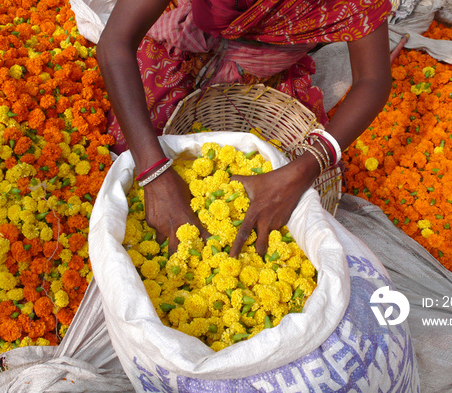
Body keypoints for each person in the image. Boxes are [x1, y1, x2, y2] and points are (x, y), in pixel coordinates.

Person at [96, 0, 393, 257]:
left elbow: (373, 80)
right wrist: (155, 174)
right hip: (195, 34)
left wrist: (304, 168)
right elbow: (115, 43)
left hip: (266, 61)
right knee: (129, 147)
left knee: (290, 170)